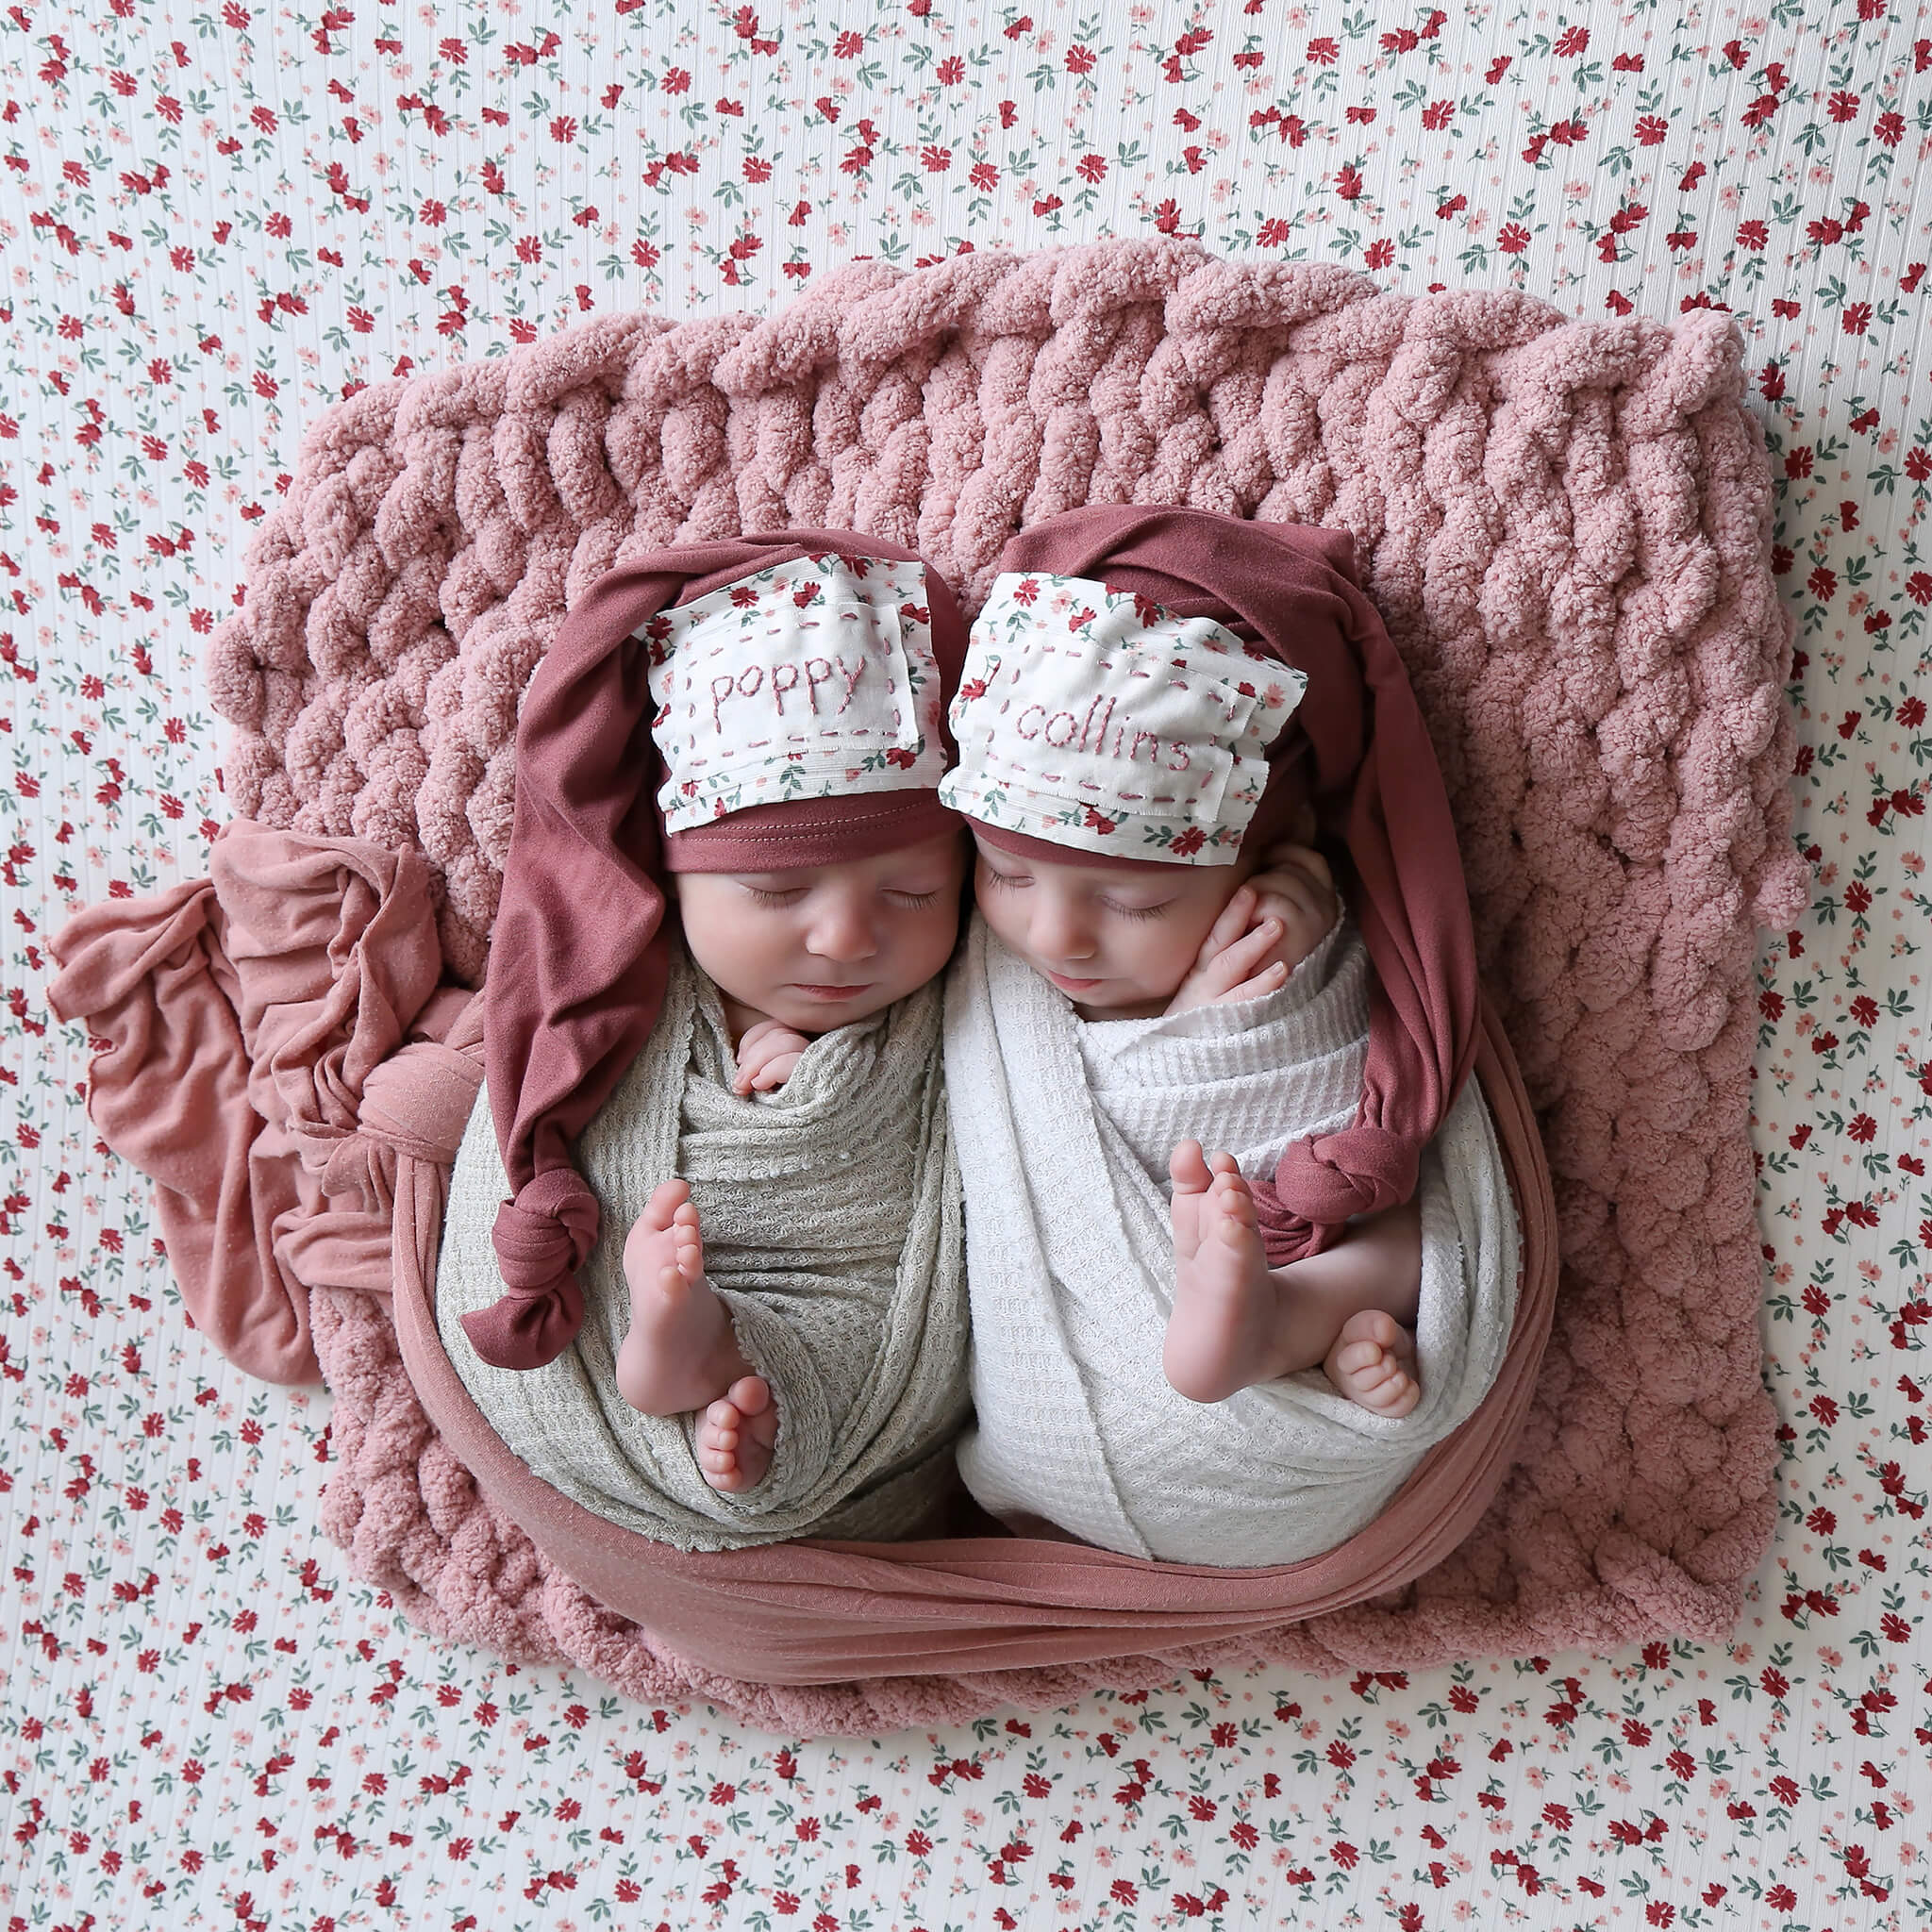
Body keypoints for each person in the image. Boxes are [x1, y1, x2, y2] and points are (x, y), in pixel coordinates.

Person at [937, 508, 1521, 1566]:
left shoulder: (1294, 926)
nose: (1050, 933)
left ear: (1278, 845)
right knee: (1371, 1259)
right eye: (1007, 873)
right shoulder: (988, 960)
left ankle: (1282, 1323)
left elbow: (1344, 1097)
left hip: (1295, 1234)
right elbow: (1029, 1120)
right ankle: (1283, 1328)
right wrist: (1175, 1016)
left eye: (1134, 904)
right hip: (1100, 1344)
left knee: (1409, 1247)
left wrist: (1247, 1001)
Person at [434, 534, 973, 1552]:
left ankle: (726, 1358)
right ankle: (687, 1342)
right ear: (673, 879)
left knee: (861, 1341)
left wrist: (828, 1078)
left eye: (912, 891)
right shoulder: (621, 980)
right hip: (642, 1262)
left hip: (858, 1288)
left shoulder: (964, 986)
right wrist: (731, 1071)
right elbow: (537, 1052)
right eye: (773, 891)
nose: (848, 939)